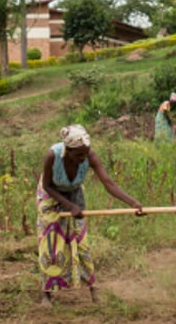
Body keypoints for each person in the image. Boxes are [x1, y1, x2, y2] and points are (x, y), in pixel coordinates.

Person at [36, 124, 143, 305]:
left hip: (74, 194)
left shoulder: (90, 156)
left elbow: (109, 183)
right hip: (51, 196)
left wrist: (133, 202)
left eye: (85, 153)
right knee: (51, 245)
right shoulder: (52, 155)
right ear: (67, 151)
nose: (83, 158)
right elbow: (47, 185)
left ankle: (92, 289)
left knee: (81, 243)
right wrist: (69, 206)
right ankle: (47, 293)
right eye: (78, 155)